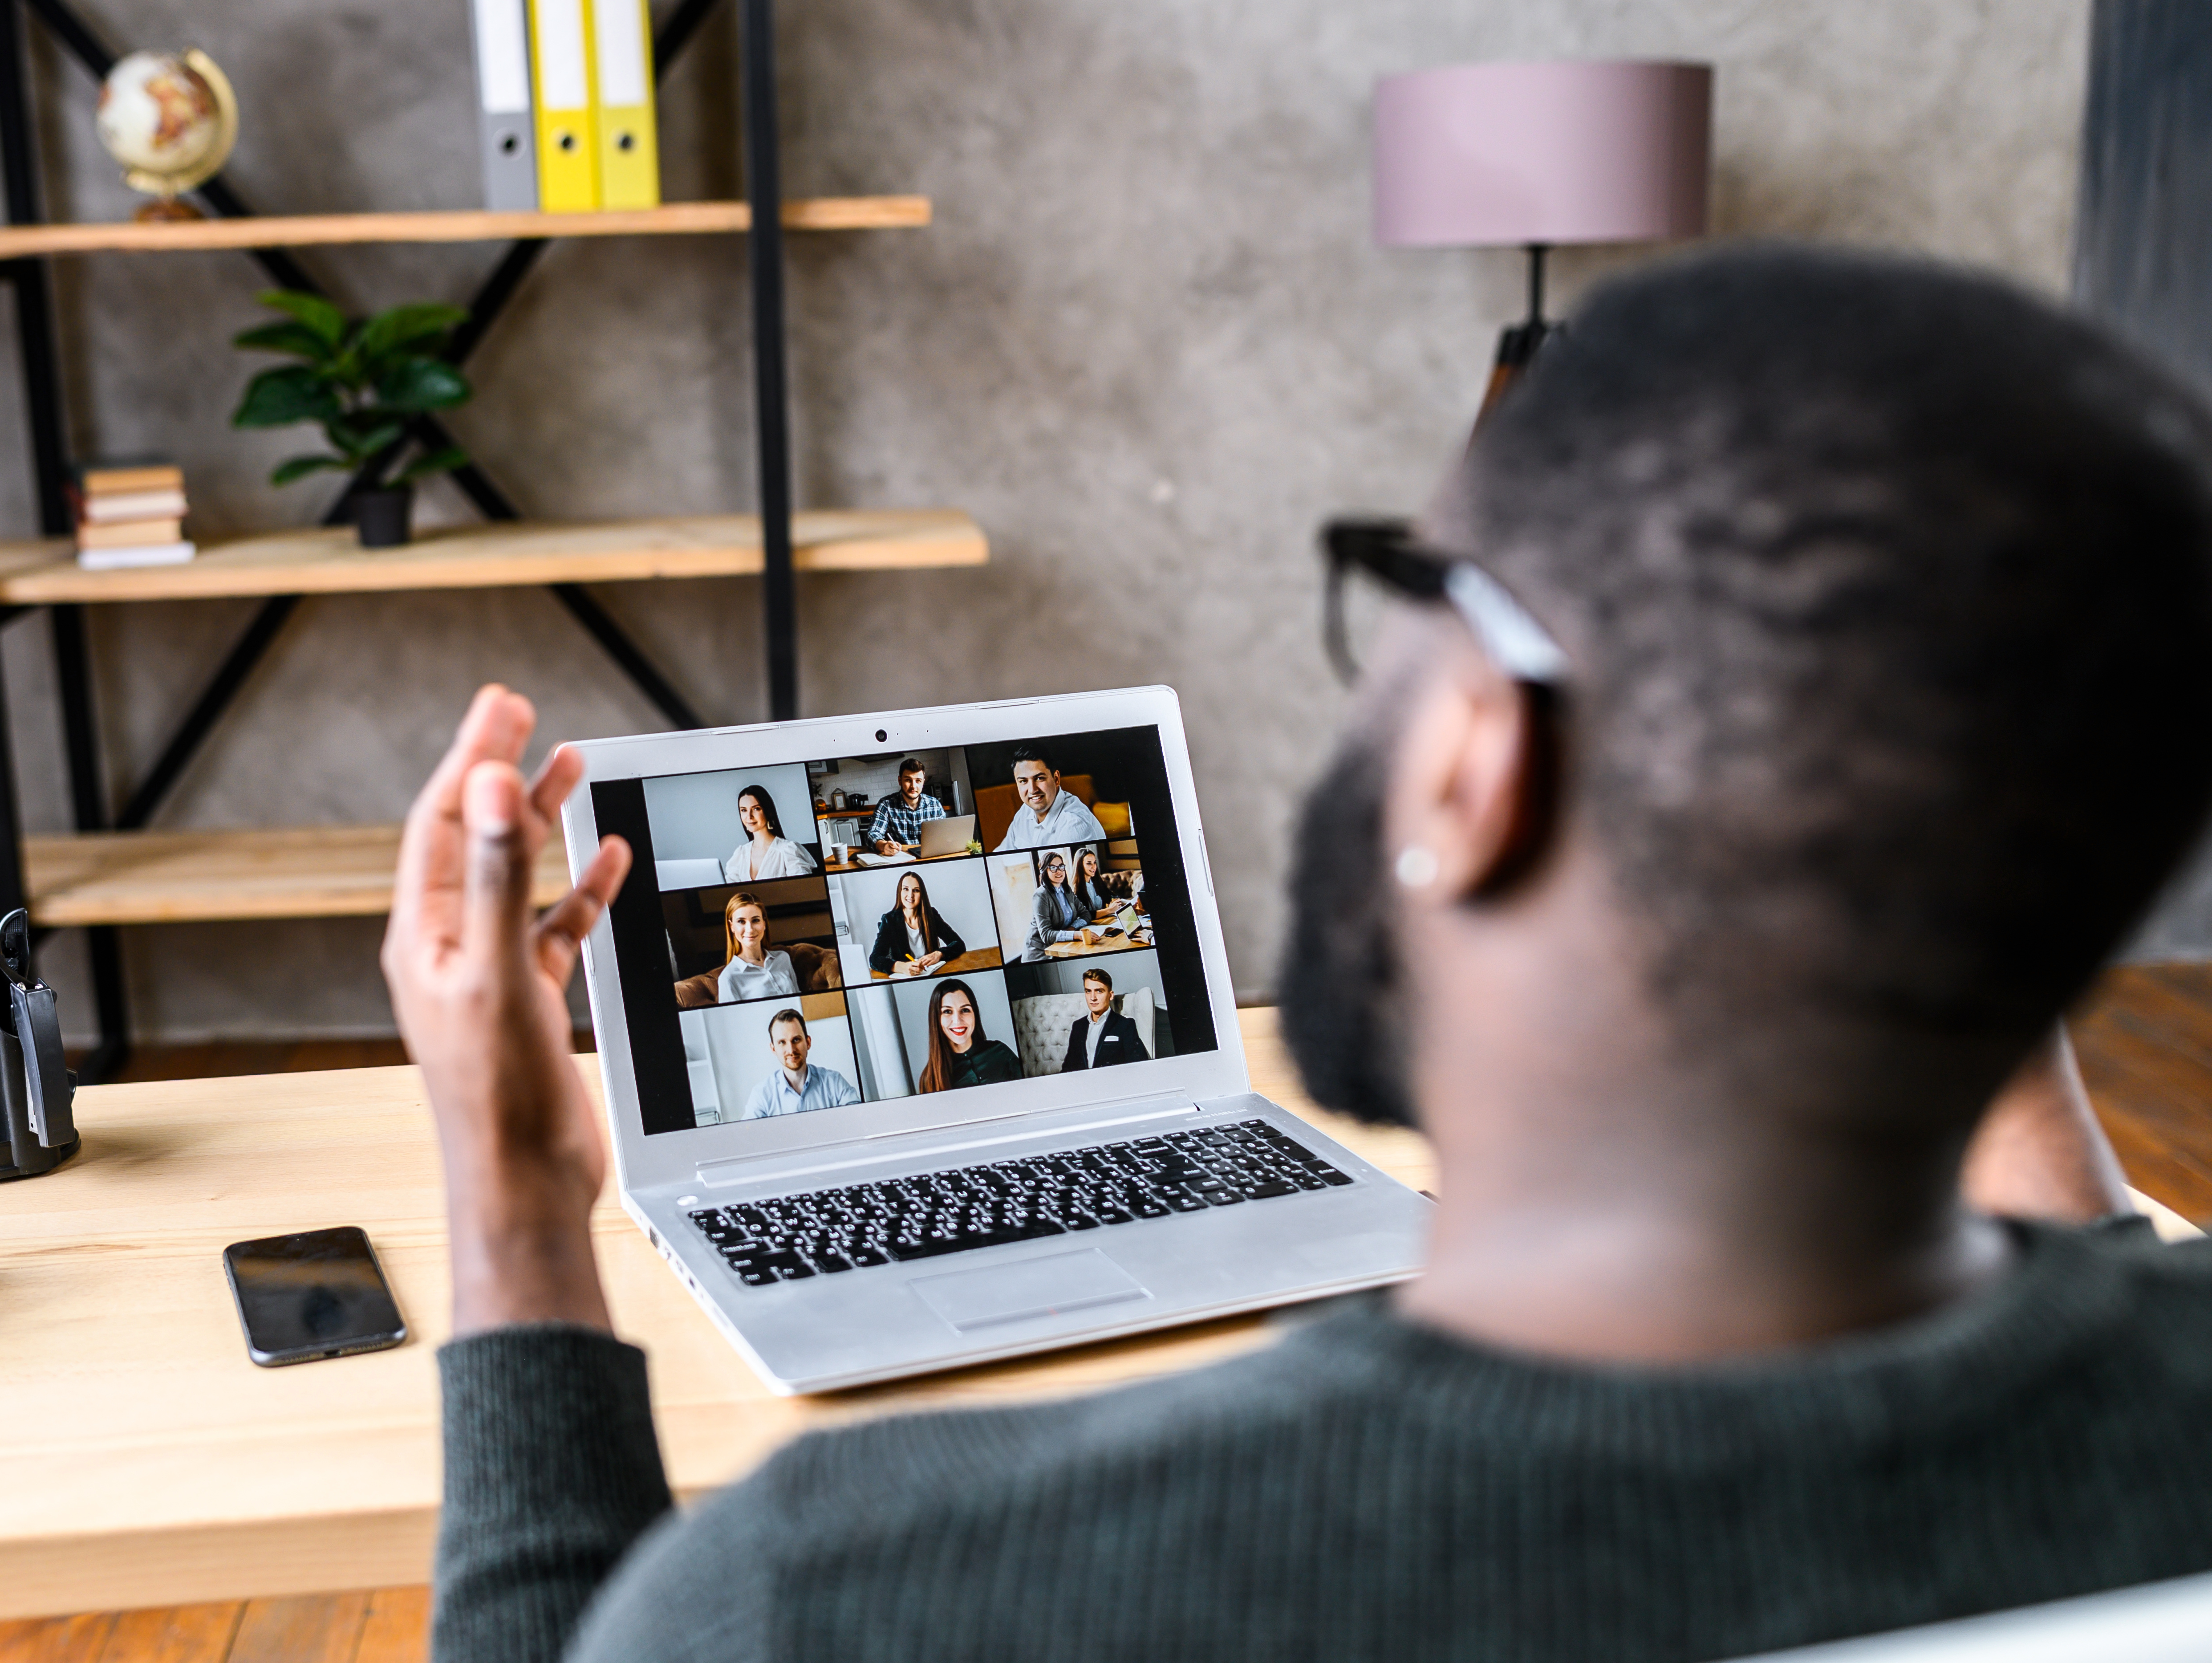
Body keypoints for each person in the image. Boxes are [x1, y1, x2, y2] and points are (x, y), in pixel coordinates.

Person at [383, 246, 2212, 1663]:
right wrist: (1978, 891)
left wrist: (521, 1190)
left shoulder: (854, 1594)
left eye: (1416, 603)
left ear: (1479, 765)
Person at [737, 1008, 860, 1120]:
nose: (791, 1050)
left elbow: (859, 1120)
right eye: (782, 1042)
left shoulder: (834, 1082)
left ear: (808, 1042)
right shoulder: (762, 1095)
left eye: (796, 1040)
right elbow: (748, 1137)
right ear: (774, 1049)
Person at [915, 977, 1023, 1092]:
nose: (958, 1021)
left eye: (965, 1010)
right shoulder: (930, 1079)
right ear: (937, 1019)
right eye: (947, 1012)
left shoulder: (1001, 1052)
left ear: (974, 1014)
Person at [991, 747, 1108, 850]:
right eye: (1023, 781)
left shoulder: (1074, 825)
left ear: (1056, 779)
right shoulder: (1025, 812)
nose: (1032, 790)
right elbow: (1001, 856)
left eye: (1039, 778)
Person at [868, 869, 966, 978]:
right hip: (906, 978)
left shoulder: (931, 915)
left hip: (932, 974)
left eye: (916, 891)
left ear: (922, 894)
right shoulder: (890, 920)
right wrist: (902, 967)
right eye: (906, 889)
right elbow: (875, 959)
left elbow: (958, 944)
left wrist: (939, 954)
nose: (911, 895)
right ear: (900, 892)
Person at [709, 892, 797, 1005]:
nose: (750, 929)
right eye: (741, 922)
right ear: (732, 927)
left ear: (764, 923)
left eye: (755, 920)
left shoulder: (783, 958)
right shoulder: (729, 978)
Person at [721, 783, 816, 882]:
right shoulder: (741, 854)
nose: (749, 817)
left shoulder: (788, 850)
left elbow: (802, 886)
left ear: (769, 811)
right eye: (744, 810)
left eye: (756, 809)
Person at [1021, 848, 1101, 962]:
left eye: (1061, 867)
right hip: (1041, 953)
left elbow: (1085, 914)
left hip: (1063, 946)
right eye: (1053, 868)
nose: (1059, 871)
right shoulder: (1040, 896)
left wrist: (1072, 929)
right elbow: (1047, 935)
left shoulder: (1066, 890)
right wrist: (1075, 935)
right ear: (1045, 871)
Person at [1060, 966, 1145, 1070]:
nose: (1093, 998)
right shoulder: (1078, 1026)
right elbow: (1068, 1067)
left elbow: (1138, 1066)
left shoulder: (1125, 1025)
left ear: (1111, 996)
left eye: (1099, 991)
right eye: (1088, 991)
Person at [866, 759, 948, 856]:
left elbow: (945, 835)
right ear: (900, 781)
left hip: (930, 858)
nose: (913, 786)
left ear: (923, 783)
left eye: (918, 781)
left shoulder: (935, 804)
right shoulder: (886, 805)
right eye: (908, 780)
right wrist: (883, 845)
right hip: (901, 859)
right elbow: (872, 834)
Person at [1069, 844, 1121, 921]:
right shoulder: (1075, 889)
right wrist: (1109, 910)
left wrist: (1126, 903)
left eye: (1095, 863)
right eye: (1089, 863)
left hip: (1105, 921)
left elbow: (1112, 897)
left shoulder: (1098, 882)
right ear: (1080, 865)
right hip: (1090, 927)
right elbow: (1084, 915)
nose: (1094, 867)